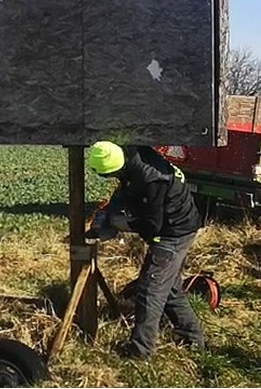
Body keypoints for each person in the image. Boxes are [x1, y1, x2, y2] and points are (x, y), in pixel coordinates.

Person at [86, 141, 205, 359]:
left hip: (174, 233)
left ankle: (140, 352)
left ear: (119, 165)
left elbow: (152, 224)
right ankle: (193, 340)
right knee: (170, 289)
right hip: (176, 225)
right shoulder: (128, 153)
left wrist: (122, 225)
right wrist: (106, 219)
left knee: (150, 291)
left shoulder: (152, 179)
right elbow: (122, 191)